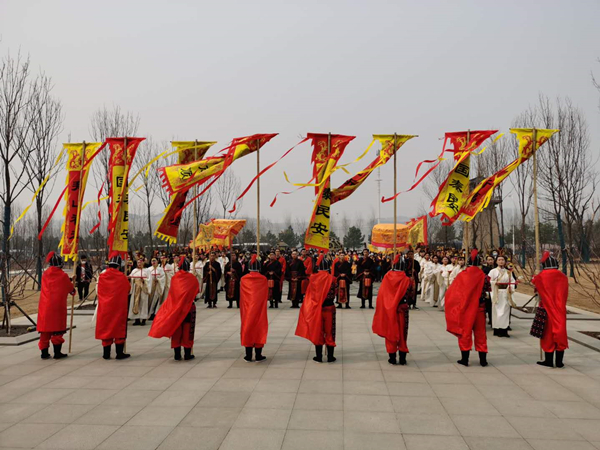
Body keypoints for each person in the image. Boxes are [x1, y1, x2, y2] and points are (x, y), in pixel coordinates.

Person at [444, 250, 489, 367]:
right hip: (480, 308)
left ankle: (465, 359)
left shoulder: (463, 275)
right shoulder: (484, 276)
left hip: (466, 308)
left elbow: (454, 292)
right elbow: (488, 289)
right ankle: (483, 359)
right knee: (481, 333)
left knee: (465, 332)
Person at [149, 258, 199, 361]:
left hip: (176, 308)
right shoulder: (192, 278)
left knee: (176, 330)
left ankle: (177, 354)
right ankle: (187, 353)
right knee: (188, 330)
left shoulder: (174, 278)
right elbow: (197, 290)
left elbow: (172, 293)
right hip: (188, 308)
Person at [295, 255, 337, 363]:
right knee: (330, 332)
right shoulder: (333, 279)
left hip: (317, 309)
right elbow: (335, 292)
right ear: (328, 267)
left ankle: (318, 356)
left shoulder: (313, 278)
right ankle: (330, 356)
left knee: (318, 330)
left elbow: (310, 294)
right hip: (329, 308)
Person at [372, 255, 412, 365]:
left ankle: (392, 357)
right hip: (402, 309)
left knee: (390, 331)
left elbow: (382, 294)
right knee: (402, 333)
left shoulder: (387, 277)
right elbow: (411, 297)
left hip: (388, 309)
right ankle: (403, 357)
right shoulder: (407, 279)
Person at [532, 252, 568, 368]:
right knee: (560, 333)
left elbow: (536, 287)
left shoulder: (541, 276)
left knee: (547, 335)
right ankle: (559, 361)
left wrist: (536, 277)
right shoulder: (563, 276)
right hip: (560, 309)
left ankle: (548, 360)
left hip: (546, 308)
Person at [37, 252, 75, 359]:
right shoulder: (63, 275)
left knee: (45, 331)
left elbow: (54, 284)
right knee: (57, 330)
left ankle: (44, 353)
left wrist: (70, 279)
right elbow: (69, 288)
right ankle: (57, 352)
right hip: (57, 307)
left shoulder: (45, 274)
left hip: (45, 306)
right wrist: (72, 285)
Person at [96, 255, 131, 360]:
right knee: (118, 328)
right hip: (118, 307)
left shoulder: (102, 276)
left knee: (106, 328)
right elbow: (128, 290)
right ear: (119, 266)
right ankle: (119, 353)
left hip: (105, 307)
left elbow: (98, 291)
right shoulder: (122, 277)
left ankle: (106, 353)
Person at [240, 255, 269, 362]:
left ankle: (248, 355)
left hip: (247, 309)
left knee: (247, 328)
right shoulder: (263, 279)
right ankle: (258, 355)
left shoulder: (244, 279)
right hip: (259, 308)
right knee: (259, 328)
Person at [489, 255, 515, 337]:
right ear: (496, 261)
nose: (501, 261)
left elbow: (512, 282)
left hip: (505, 293)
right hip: (497, 292)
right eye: (499, 260)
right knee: (497, 311)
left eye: (502, 260)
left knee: (505, 312)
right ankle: (498, 330)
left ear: (505, 262)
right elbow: (489, 281)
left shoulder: (509, 272)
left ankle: (504, 330)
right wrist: (494, 283)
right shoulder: (493, 271)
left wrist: (511, 288)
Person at [128, 258, 150, 326]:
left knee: (143, 303)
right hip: (136, 289)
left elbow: (149, 280)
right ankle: (136, 319)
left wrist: (144, 281)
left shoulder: (147, 271)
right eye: (138, 263)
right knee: (135, 302)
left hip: (143, 288)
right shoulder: (134, 270)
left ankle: (143, 319)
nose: (139, 264)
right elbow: (131, 277)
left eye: (140, 262)